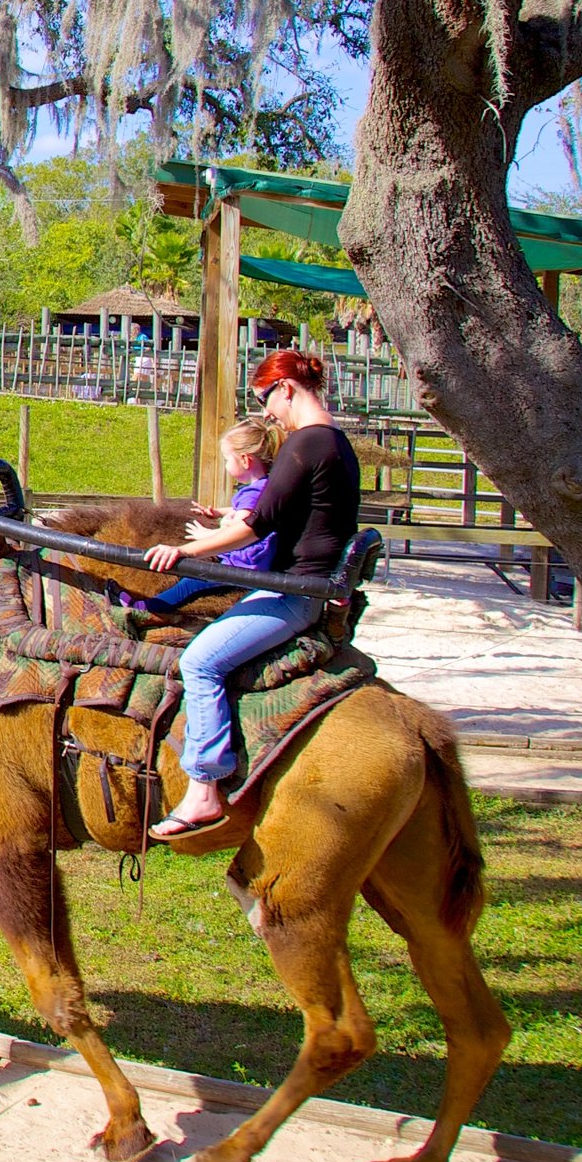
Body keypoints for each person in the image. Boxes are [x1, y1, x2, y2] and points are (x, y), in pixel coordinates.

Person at [143, 351, 360, 839]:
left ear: (286, 388)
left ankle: (203, 788)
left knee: (199, 662)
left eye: (266, 400)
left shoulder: (307, 445)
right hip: (303, 585)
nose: (266, 414)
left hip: (294, 590)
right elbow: (270, 513)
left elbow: (254, 526)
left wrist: (182, 552)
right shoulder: (335, 445)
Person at [140, 418, 280, 612]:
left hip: (244, 565)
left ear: (245, 460)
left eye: (227, 460)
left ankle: (146, 608)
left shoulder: (252, 493)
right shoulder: (266, 486)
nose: (226, 465)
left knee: (193, 580)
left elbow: (242, 529)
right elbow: (247, 511)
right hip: (255, 561)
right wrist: (218, 512)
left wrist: (206, 535)